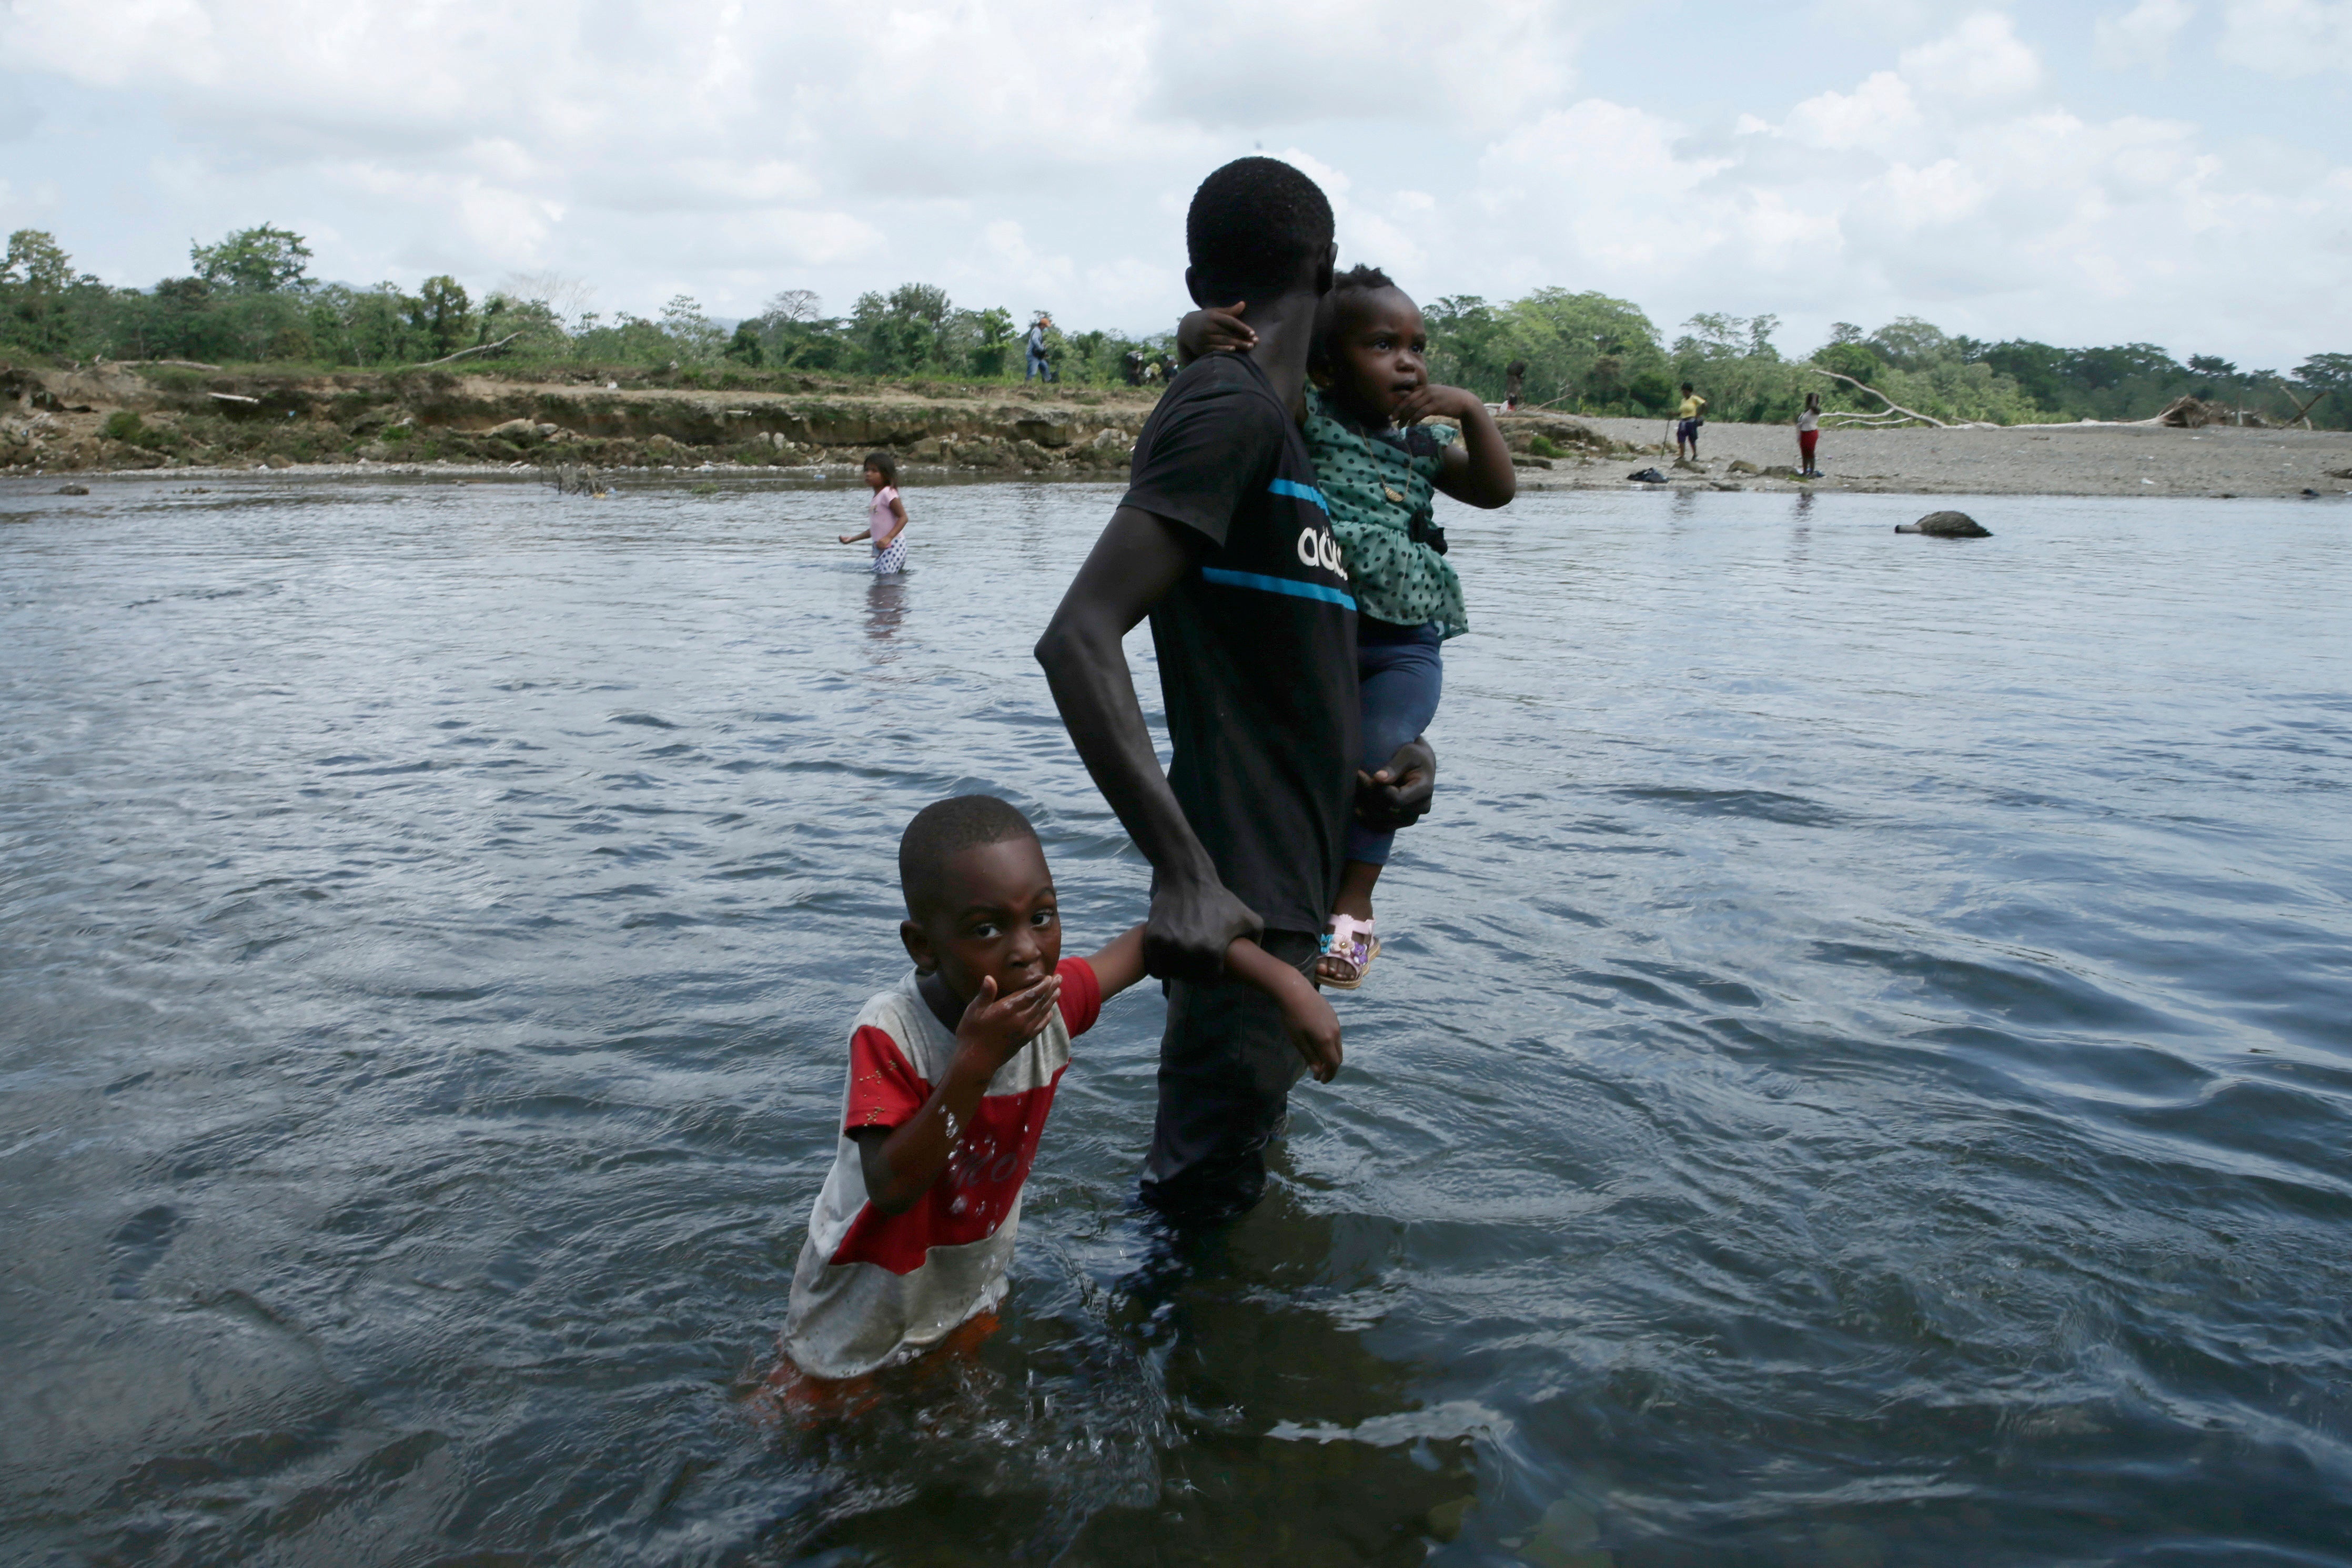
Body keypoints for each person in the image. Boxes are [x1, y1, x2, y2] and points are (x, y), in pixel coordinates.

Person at [1034, 157, 1435, 1223]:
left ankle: (1209, 1379)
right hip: (1239, 898)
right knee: (1193, 1215)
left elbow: (1299, 670)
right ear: (1324, 264)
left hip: (1292, 893)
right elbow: (1078, 635)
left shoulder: (1303, 443)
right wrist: (1184, 872)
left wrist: (1405, 762)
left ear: (1203, 277)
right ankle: (1144, 1386)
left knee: (1225, 1194)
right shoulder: (1228, 404)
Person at [779, 795, 1339, 1379]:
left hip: (965, 1286)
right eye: (986, 929)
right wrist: (976, 1060)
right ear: (923, 945)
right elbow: (892, 1184)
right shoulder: (890, 1031)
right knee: (824, 1434)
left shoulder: (1050, 1007)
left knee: (949, 1415)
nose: (1026, 949)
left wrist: (1285, 984)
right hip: (857, 1303)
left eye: (1041, 917)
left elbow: (1159, 939)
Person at [1176, 266, 1515, 988]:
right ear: (1327, 364)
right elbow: (1243, 385)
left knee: (1378, 762)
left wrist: (1473, 412)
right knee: (1319, 759)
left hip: (1405, 646)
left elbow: (1495, 490)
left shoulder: (1421, 448)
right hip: (1323, 635)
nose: (1408, 362)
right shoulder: (1308, 419)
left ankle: (1354, 909)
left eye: (1417, 347)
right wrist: (1190, 339)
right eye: (1382, 345)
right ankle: (1289, 904)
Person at [839, 449, 909, 574]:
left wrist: (888, 538)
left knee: (886, 582)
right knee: (879, 583)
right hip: (882, 547)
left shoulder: (888, 493)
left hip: (893, 546)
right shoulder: (877, 498)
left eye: (874, 471)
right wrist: (852, 539)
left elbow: (903, 518)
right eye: (866, 470)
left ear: (886, 475)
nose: (868, 474)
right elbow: (876, 529)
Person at [1675, 382, 1707, 461]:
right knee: (1681, 438)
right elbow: (1681, 412)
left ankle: (1695, 455)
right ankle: (1682, 456)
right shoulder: (1683, 401)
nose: (1684, 393)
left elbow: (1705, 404)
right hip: (1683, 422)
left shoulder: (1694, 399)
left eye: (1686, 392)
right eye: (1683, 392)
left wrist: (1699, 414)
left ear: (1690, 392)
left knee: (1692, 439)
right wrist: (1673, 414)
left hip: (1691, 422)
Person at [1796, 390, 1822, 478]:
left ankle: (1811, 472)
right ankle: (1804, 472)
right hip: (1804, 432)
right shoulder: (1806, 411)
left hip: (1812, 432)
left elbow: (1813, 406)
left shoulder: (1816, 410)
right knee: (1804, 453)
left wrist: (1814, 398)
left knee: (1810, 452)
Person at [1025, 314, 1055, 382]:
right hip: (1032, 355)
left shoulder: (1039, 332)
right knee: (1032, 372)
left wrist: (1044, 351)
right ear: (1042, 325)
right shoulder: (1037, 331)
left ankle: (1049, 382)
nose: (1045, 328)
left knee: (1045, 367)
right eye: (1045, 326)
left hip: (1037, 356)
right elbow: (1035, 339)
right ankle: (1027, 384)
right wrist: (1042, 349)